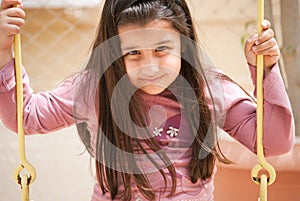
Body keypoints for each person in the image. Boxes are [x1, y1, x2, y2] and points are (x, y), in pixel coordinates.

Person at [0, 0, 295, 200]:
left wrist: (265, 70)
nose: (149, 66)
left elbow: (274, 142)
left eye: (162, 49)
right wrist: (3, 51)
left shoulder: (207, 89)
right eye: (133, 53)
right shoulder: (96, 88)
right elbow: (26, 117)